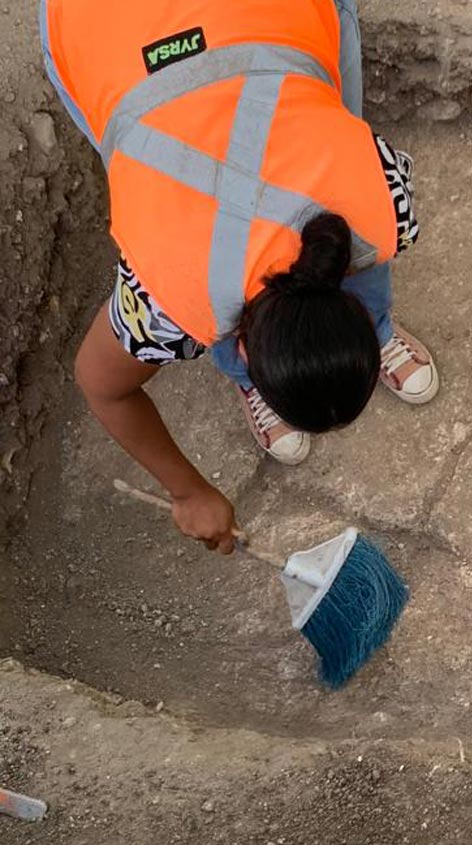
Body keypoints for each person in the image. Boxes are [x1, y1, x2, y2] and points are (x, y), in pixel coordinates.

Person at [40, 0, 439, 554]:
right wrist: (186, 490)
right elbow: (99, 384)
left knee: (362, 219)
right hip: (98, 26)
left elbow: (107, 388)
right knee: (129, 124)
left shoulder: (381, 193)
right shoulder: (167, 299)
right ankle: (271, 376)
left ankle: (376, 330)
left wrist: (192, 490)